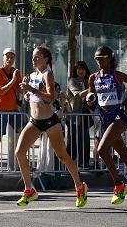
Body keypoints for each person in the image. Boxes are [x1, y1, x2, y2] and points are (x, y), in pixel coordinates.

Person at [13, 46, 87, 209]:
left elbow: (51, 97)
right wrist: (28, 95)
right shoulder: (32, 75)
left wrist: (31, 90)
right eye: (33, 56)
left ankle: (80, 187)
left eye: (37, 56)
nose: (34, 59)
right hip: (34, 121)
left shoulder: (48, 74)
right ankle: (29, 189)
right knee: (19, 152)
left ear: (46, 59)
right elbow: (35, 97)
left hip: (50, 121)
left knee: (62, 156)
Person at [82, 46, 127, 210]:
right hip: (105, 120)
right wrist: (90, 100)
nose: (99, 62)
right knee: (126, 158)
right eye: (96, 59)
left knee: (101, 150)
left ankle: (119, 185)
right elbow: (91, 98)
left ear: (109, 58)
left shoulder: (117, 75)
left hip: (118, 118)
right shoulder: (93, 78)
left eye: (102, 58)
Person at [0, 48, 22, 175]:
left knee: (21, 135)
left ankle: (22, 162)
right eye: (7, 56)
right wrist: (13, 80)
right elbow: (0, 91)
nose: (9, 59)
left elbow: (20, 89)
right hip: (0, 109)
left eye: (12, 57)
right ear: (3, 57)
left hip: (14, 109)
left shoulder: (16, 72)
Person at [66, 61, 93, 168]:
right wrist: (91, 88)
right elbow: (79, 95)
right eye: (79, 69)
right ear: (75, 70)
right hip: (74, 114)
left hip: (85, 113)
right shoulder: (72, 81)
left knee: (85, 138)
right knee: (74, 140)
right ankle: (70, 162)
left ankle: (84, 162)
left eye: (83, 69)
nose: (81, 71)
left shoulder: (88, 81)